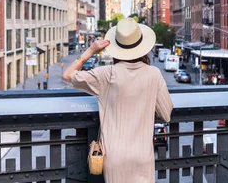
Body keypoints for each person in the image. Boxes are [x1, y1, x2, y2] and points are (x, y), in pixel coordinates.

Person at [62, 18, 173, 183]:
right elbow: (166, 114)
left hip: (115, 157)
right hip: (143, 155)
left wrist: (90, 51)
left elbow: (67, 75)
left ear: (116, 48)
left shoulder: (106, 74)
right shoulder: (154, 74)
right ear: (143, 48)